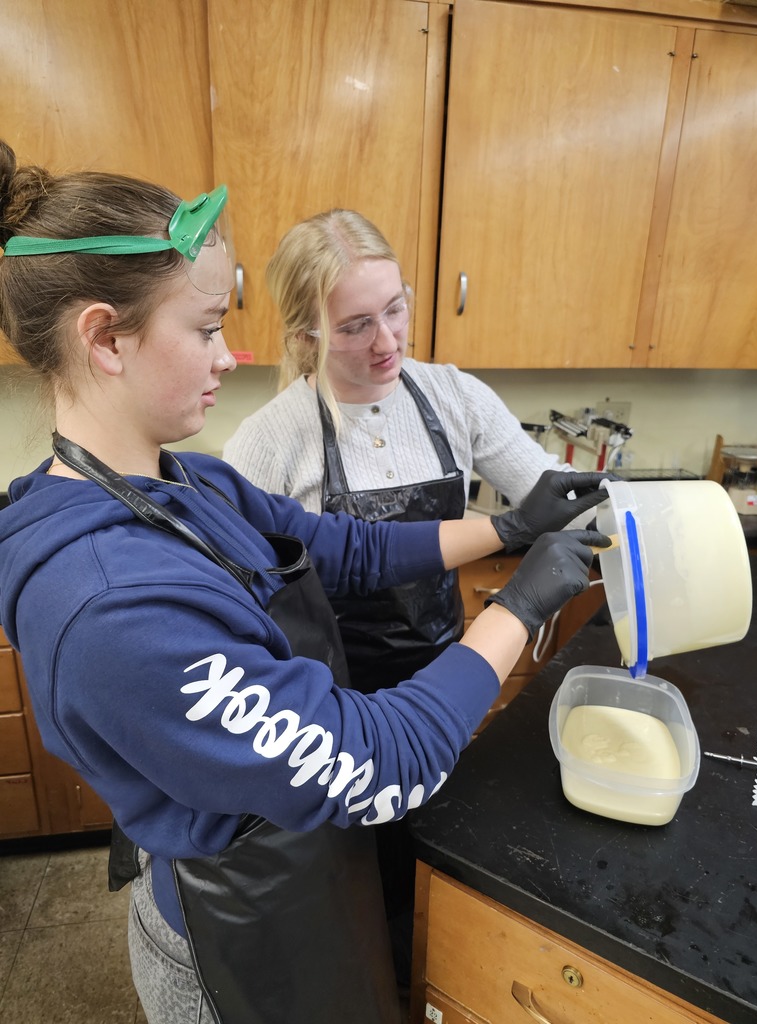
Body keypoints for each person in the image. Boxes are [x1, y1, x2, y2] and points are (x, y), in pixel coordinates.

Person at [0, 139, 612, 1024]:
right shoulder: (112, 605)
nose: (227, 357)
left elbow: (344, 548)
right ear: (105, 338)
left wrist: (510, 529)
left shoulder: (190, 481)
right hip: (232, 938)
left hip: (304, 861)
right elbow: (376, 762)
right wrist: (519, 605)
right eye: (205, 329)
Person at [222, 208, 600, 988]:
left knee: (433, 860)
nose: (387, 340)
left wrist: (631, 521)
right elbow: (243, 601)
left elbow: (557, 500)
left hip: (448, 673)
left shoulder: (453, 397)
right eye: (355, 325)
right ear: (306, 335)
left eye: (394, 309)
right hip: (331, 702)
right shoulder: (271, 440)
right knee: (355, 882)